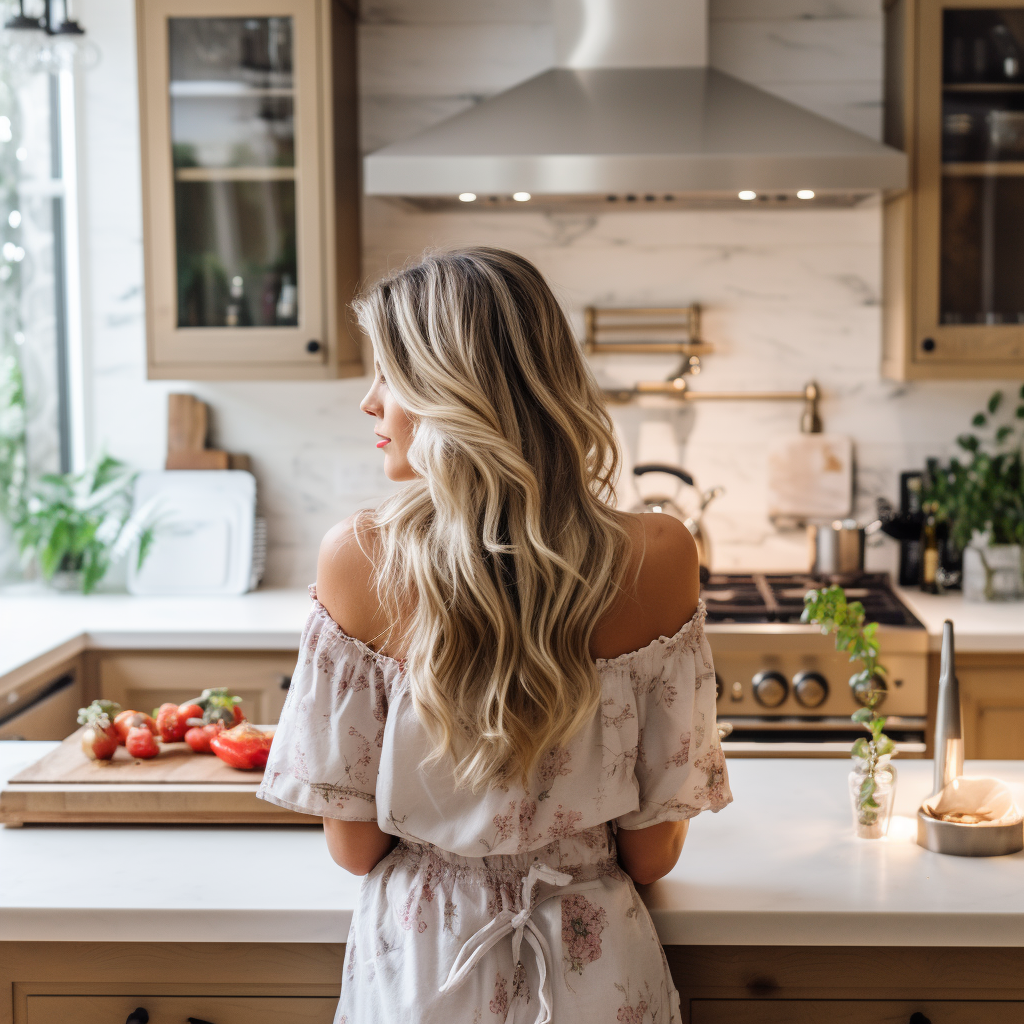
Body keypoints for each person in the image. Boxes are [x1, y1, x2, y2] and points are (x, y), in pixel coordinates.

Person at [257, 247, 732, 1023]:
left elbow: (353, 852)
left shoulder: (359, 558)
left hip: (422, 974)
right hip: (597, 974)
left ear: (456, 396)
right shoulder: (661, 554)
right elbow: (650, 856)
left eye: (391, 376)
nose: (371, 403)